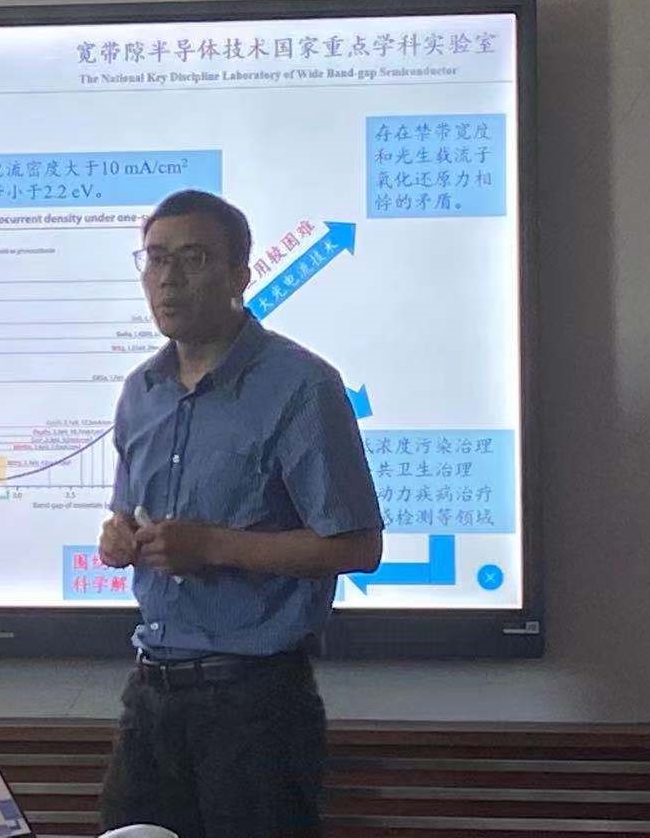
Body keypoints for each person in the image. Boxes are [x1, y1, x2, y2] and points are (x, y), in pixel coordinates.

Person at [97, 190, 384, 838]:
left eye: (193, 258)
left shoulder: (300, 386)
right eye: (156, 258)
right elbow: (127, 514)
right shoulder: (141, 392)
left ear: (238, 275)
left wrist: (214, 546)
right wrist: (120, 538)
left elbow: (357, 545)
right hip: (151, 695)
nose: (169, 278)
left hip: (256, 705)